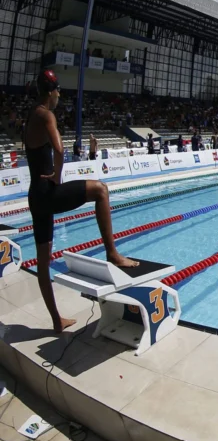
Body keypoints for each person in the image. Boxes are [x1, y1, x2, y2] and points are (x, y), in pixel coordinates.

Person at [23, 71, 138, 333]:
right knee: (100, 190)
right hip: (47, 192)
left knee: (42, 261)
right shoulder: (46, 114)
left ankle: (56, 321)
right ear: (52, 91)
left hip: (34, 196)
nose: (59, 96)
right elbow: (60, 149)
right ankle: (112, 253)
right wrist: (57, 174)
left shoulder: (31, 114)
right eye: (59, 92)